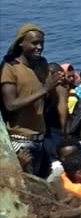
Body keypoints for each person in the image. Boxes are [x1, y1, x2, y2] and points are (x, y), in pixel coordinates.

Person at [1, 23, 61, 178]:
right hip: (21, 140)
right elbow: (11, 105)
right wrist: (44, 89)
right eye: (34, 43)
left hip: (41, 138)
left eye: (42, 43)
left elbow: (47, 102)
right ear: (21, 43)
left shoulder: (40, 65)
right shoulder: (10, 68)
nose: (39, 47)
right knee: (30, 184)